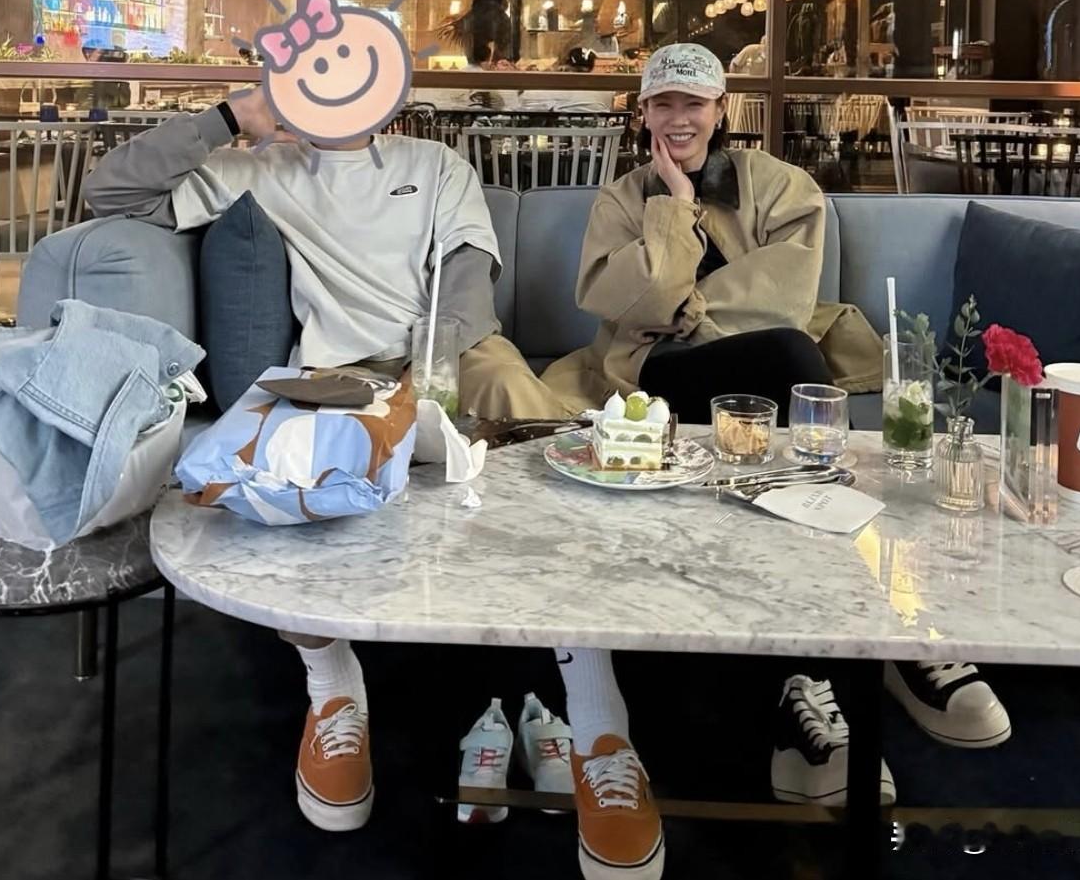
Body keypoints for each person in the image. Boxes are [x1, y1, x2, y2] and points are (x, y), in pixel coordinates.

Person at [539, 43, 1012, 880]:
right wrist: (673, 207)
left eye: (693, 103)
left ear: (722, 107)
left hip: (757, 367)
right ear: (641, 113)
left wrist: (680, 303)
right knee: (793, 363)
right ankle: (874, 641)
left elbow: (784, 294)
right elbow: (621, 304)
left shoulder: (783, 185)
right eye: (661, 104)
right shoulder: (622, 198)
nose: (678, 120)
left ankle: (826, 670)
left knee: (789, 354)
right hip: (658, 379)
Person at [83, 88, 568, 834]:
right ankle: (333, 684)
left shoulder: (434, 162)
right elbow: (109, 192)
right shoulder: (258, 168)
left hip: (451, 349)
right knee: (275, 472)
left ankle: (565, 689)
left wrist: (431, 365)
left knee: (531, 419)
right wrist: (231, 118)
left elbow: (469, 270)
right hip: (335, 374)